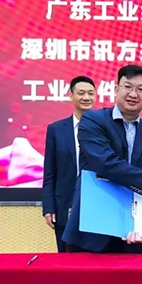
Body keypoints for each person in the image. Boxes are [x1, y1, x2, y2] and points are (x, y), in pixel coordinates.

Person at [63, 65, 142, 253]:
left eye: (140, 89)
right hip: (90, 230)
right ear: (116, 89)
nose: (133, 94)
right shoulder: (93, 120)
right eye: (127, 87)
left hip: (132, 234)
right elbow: (104, 163)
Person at [42, 76, 96, 252]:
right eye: (81, 93)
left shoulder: (104, 129)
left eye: (90, 93)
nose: (86, 97)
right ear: (71, 96)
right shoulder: (56, 129)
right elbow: (50, 172)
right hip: (64, 206)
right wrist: (48, 207)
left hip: (95, 206)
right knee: (66, 259)